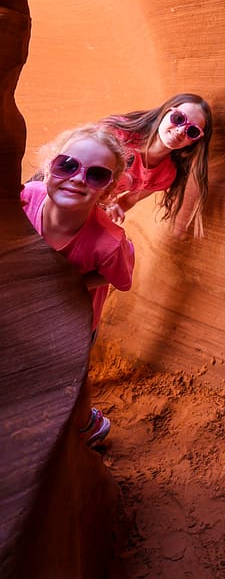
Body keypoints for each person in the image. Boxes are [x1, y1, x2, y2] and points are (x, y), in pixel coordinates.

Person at [21, 125, 135, 447]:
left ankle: (88, 423)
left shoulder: (108, 243)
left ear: (108, 189)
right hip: (26, 309)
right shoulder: (24, 201)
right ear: (48, 167)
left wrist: (67, 283)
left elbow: (120, 279)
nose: (77, 178)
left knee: (68, 376)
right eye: (67, 165)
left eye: (96, 175)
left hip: (73, 320)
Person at [100, 93, 212, 238]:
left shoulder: (166, 175)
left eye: (192, 131)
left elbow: (128, 200)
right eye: (179, 119)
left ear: (193, 141)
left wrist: (106, 216)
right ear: (166, 112)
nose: (180, 130)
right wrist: (102, 199)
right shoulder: (116, 132)